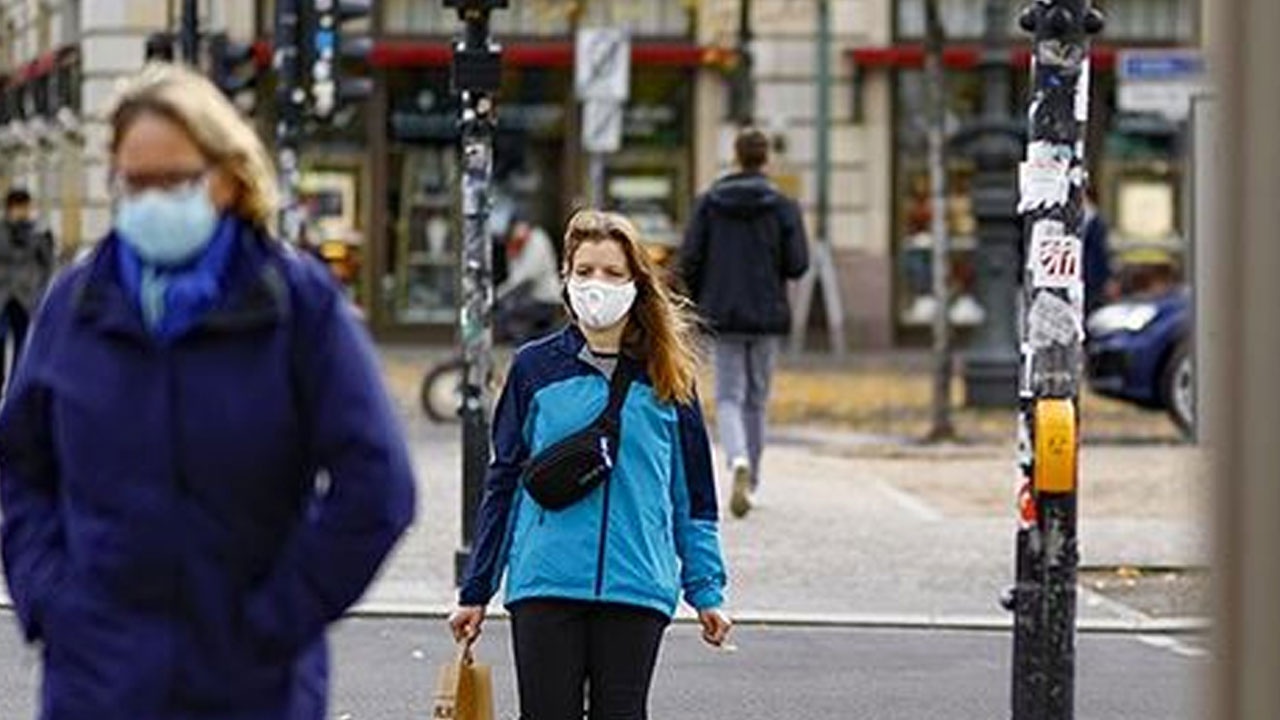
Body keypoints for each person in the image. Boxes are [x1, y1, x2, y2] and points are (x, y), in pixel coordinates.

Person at [0, 63, 416, 718]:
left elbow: (379, 486)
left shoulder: (295, 303)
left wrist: (279, 619)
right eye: (135, 183)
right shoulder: (75, 304)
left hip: (251, 685)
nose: (154, 200)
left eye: (176, 180)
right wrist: (51, 600)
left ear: (226, 177)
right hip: (99, 682)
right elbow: (20, 468)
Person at [450, 209, 732, 720]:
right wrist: (476, 590)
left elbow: (692, 498)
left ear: (636, 283)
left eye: (612, 272)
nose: (596, 284)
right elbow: (504, 482)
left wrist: (706, 590)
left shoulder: (671, 377)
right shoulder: (534, 367)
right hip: (545, 582)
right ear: (566, 277)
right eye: (585, 271)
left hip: (636, 585)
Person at [678, 127, 809, 519]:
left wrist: (704, 297)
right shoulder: (784, 206)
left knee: (729, 395)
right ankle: (752, 480)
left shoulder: (708, 204)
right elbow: (798, 263)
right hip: (767, 314)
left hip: (722, 313)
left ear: (735, 157)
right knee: (757, 398)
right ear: (765, 158)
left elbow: (689, 259)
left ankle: (736, 459)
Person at [0, 187, 55, 391]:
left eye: (24, 207)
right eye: (17, 208)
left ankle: (15, 388)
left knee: (22, 344)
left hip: (26, 297)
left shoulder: (38, 232)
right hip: (2, 295)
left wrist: (40, 287)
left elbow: (48, 263)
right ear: (8, 209)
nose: (21, 212)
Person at [494, 216, 563, 339]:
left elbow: (527, 275)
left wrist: (499, 293)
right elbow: (515, 274)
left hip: (545, 299)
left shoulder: (537, 239)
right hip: (532, 299)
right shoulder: (518, 244)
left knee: (507, 315)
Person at [1083, 186, 1118, 315]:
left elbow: (1102, 252)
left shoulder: (1096, 221)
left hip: (1093, 277)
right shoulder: (1086, 219)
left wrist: (1108, 278)